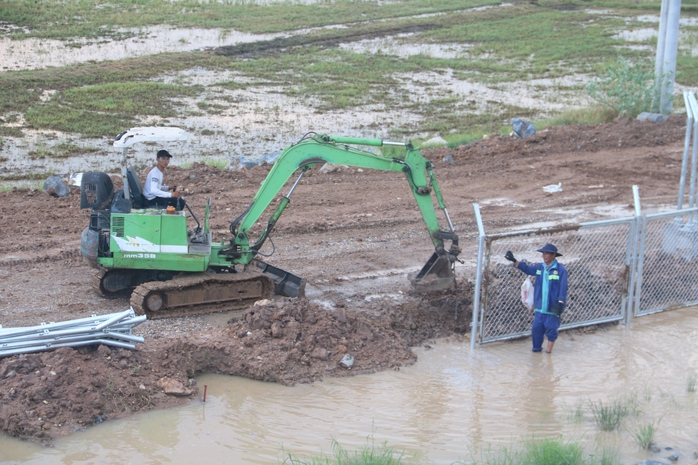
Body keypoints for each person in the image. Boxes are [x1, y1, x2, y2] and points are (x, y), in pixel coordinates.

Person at [504, 243, 568, 354]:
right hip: (539, 308)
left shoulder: (561, 270)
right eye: (543, 253)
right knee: (536, 330)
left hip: (552, 307)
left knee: (551, 330)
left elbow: (563, 287)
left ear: (554, 255)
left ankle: (548, 353)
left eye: (547, 253)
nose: (544, 255)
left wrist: (560, 303)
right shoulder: (540, 268)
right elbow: (528, 269)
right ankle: (536, 352)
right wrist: (514, 260)